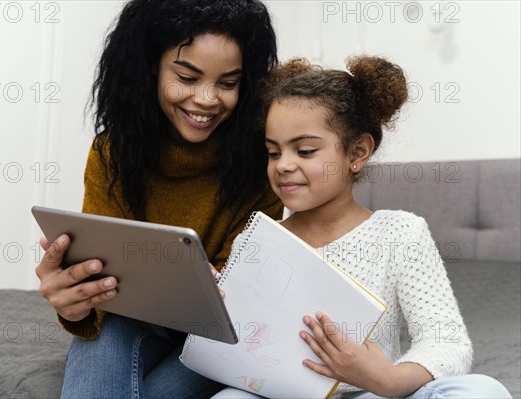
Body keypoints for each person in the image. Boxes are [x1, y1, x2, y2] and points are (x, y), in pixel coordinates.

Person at [213, 56, 512, 398]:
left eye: (305, 150)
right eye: (273, 152)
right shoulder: (256, 241)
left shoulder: (399, 233)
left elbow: (447, 341)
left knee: (483, 390)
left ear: (357, 152)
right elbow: (245, 347)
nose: (284, 165)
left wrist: (390, 380)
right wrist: (215, 307)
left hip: (374, 393)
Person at [34, 0, 283, 398]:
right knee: (110, 329)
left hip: (219, 339)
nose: (206, 99)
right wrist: (75, 303)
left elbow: (247, 300)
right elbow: (100, 292)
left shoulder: (265, 164)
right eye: (186, 77)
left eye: (228, 83)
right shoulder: (112, 151)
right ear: (152, 65)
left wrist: (223, 286)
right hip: (131, 323)